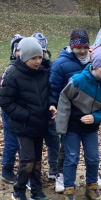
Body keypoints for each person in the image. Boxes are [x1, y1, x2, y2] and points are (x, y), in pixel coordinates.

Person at [56, 45, 101, 200]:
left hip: (91, 129)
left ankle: (91, 188)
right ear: (95, 65)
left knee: (93, 158)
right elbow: (63, 99)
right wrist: (61, 126)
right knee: (71, 158)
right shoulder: (77, 81)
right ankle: (69, 191)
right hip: (72, 128)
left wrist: (96, 118)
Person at [0, 37, 57, 200]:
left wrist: (52, 105)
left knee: (37, 160)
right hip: (22, 126)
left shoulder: (42, 74)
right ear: (23, 57)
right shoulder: (13, 75)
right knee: (28, 159)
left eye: (40, 57)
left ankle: (36, 191)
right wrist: (25, 115)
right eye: (34, 58)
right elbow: (6, 102)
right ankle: (18, 192)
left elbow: (48, 95)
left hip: (40, 124)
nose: (38, 61)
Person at [50, 29, 101, 194]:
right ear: (71, 47)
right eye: (78, 48)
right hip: (68, 112)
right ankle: (60, 176)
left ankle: (93, 176)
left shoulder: (92, 60)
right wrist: (53, 105)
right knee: (67, 149)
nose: (82, 51)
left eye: (85, 47)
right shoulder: (60, 64)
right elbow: (53, 88)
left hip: (90, 110)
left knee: (92, 151)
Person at [32, 32, 60, 181]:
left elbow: (53, 89)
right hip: (33, 114)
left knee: (54, 141)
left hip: (50, 112)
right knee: (33, 146)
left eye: (41, 53)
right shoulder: (25, 69)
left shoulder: (52, 67)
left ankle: (54, 168)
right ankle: (33, 172)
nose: (38, 58)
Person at [0, 34, 23, 184]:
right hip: (10, 111)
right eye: (19, 50)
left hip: (23, 110)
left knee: (23, 141)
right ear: (14, 52)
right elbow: (4, 94)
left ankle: (24, 168)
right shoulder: (10, 70)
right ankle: (7, 169)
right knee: (12, 140)